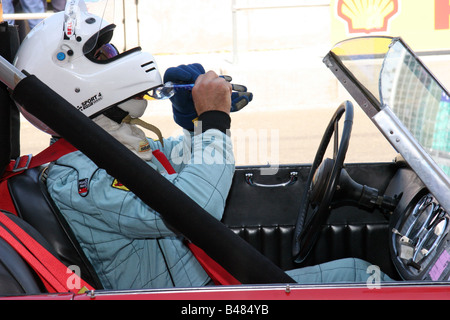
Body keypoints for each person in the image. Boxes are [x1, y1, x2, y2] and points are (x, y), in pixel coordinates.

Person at [14, 5, 392, 290]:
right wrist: (213, 122)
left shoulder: (104, 146)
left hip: (198, 289)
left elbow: (176, 165)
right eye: (104, 55)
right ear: (70, 81)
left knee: (359, 273)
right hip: (191, 301)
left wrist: (196, 125)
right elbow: (195, 207)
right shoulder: (82, 178)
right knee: (362, 278)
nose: (117, 58)